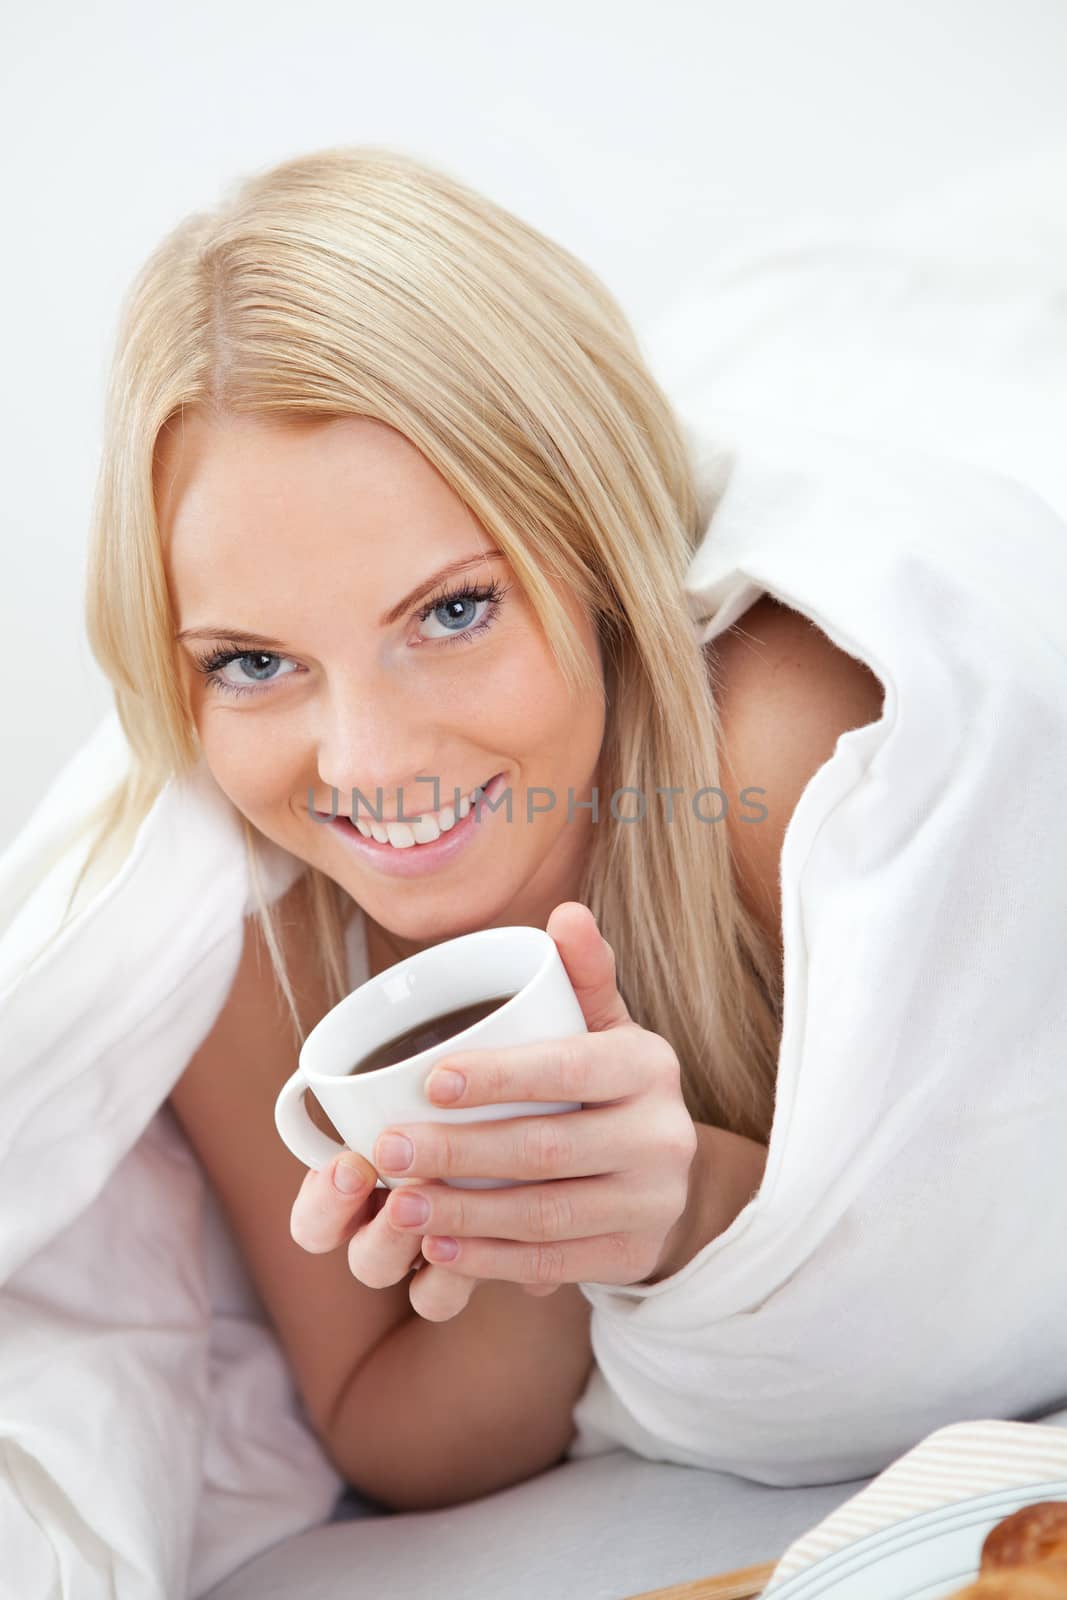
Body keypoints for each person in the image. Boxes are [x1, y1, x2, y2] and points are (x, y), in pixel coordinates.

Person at [4, 143, 1067, 1598]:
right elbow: (393, 1427)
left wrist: (695, 1209)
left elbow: (1003, 1266)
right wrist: (538, 1233)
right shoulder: (248, 928)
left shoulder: (788, 764)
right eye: (253, 662)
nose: (369, 763)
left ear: (600, 562)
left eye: (451, 610)